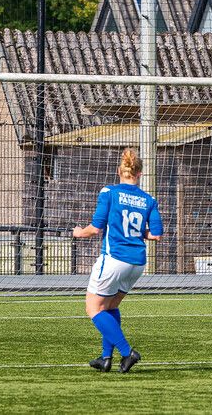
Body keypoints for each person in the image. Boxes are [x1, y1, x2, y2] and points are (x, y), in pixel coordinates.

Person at [73, 148, 163, 374]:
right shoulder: (148, 199)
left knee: (93, 308)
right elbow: (156, 234)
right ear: (140, 173)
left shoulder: (109, 192)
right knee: (111, 306)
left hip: (114, 259)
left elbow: (95, 228)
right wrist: (137, 233)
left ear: (118, 171)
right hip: (137, 263)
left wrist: (78, 232)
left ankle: (127, 352)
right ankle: (105, 358)